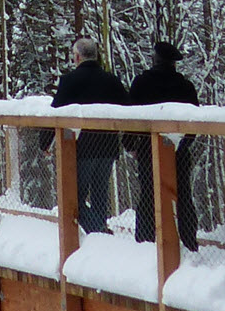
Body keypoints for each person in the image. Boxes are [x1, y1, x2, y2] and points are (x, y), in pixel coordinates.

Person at [47, 36, 129, 234]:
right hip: (108, 147)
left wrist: (45, 143)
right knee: (101, 194)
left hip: (80, 148)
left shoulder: (69, 81)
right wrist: (129, 142)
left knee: (73, 196)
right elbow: (129, 111)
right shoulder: (112, 81)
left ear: (77, 57)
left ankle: (98, 230)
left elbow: (56, 112)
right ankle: (100, 232)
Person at [128, 39, 200, 253]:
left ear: (155, 59)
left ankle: (145, 242)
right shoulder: (185, 86)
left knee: (149, 194)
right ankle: (188, 241)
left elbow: (130, 116)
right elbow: (194, 120)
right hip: (179, 150)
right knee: (184, 195)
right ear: (173, 63)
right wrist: (183, 143)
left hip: (148, 148)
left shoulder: (141, 82)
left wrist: (131, 144)